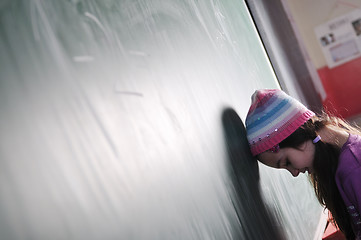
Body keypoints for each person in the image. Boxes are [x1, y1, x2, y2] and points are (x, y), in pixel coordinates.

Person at [245, 89, 361, 240]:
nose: (294, 173)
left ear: (297, 135)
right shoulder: (341, 161)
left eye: (287, 162)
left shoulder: (354, 168)